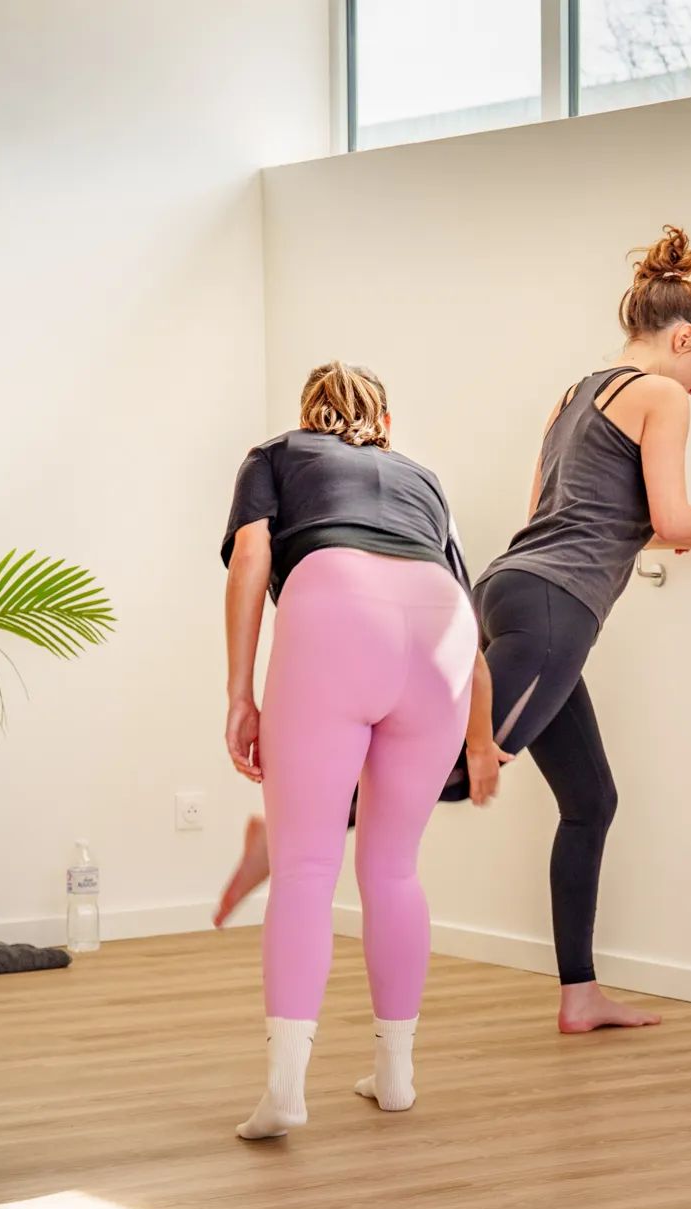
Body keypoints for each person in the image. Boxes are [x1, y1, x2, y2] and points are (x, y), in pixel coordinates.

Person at [220, 225, 691, 1034]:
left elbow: (565, 515)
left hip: (507, 588)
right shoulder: (661, 395)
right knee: (452, 772)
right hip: (557, 610)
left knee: (591, 798)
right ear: (684, 338)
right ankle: (283, 835)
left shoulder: (577, 393)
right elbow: (670, 517)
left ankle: (580, 994)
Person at [218, 361, 505, 1140]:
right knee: (394, 868)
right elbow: (472, 633)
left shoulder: (276, 455)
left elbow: (252, 560)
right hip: (439, 631)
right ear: (384, 422)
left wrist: (241, 692)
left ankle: (285, 1088)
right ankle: (396, 1074)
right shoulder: (423, 480)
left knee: (307, 863)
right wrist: (481, 739)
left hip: (336, 607)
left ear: (312, 415)